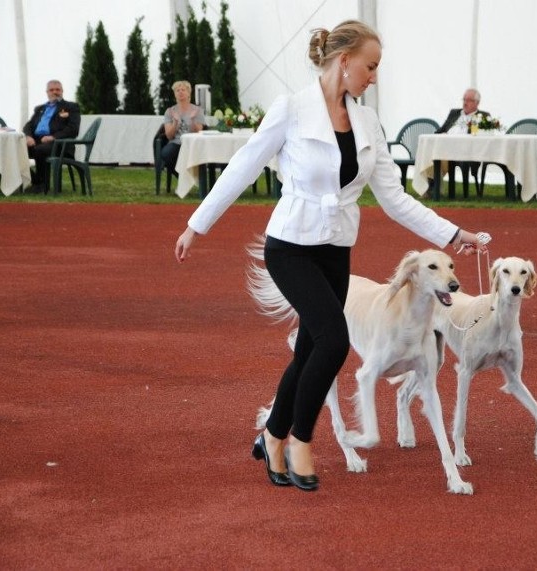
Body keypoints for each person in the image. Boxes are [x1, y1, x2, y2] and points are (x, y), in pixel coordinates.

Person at [174, 20, 488, 492]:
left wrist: (452, 233)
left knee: (308, 351)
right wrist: (197, 223)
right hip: (291, 247)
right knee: (335, 340)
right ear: (344, 62)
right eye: (370, 66)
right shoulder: (292, 109)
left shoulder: (367, 122)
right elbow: (243, 166)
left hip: (335, 251)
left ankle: (272, 434)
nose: (374, 76)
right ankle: (300, 438)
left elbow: (394, 198)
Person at [22, 80, 81, 193]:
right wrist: (28, 137)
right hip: (37, 141)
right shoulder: (40, 108)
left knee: (40, 150)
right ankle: (34, 181)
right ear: (47, 92)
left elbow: (73, 129)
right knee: (15, 150)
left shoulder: (71, 107)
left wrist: (53, 137)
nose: (55, 92)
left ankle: (42, 185)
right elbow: (28, 125)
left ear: (62, 91)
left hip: (60, 144)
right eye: (51, 90)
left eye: (57, 89)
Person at [432, 88, 490, 196]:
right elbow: (441, 129)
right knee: (432, 154)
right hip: (446, 147)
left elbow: (480, 138)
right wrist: (439, 135)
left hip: (467, 152)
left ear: (477, 103)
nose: (465, 102)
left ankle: (432, 187)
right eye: (464, 99)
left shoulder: (482, 116)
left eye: (468, 100)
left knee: (438, 156)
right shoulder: (454, 113)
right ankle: (431, 187)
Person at [161, 80, 206, 178]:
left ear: (189, 93)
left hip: (193, 143)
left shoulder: (197, 110)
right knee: (166, 154)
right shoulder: (170, 111)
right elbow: (169, 136)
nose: (180, 92)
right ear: (174, 94)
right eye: (177, 90)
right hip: (176, 143)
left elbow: (199, 132)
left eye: (183, 90)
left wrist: (193, 120)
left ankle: (189, 179)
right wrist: (175, 122)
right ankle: (183, 178)